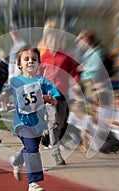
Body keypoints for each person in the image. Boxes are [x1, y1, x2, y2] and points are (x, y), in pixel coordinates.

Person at [0, 45, 60, 191]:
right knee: (33, 149)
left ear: (39, 63)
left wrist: (51, 100)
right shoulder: (15, 81)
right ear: (19, 64)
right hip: (21, 122)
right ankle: (33, 183)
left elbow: (55, 98)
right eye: (26, 59)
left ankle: (16, 161)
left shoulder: (43, 81)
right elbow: (4, 94)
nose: (30, 61)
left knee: (30, 147)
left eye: (34, 59)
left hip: (38, 123)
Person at [37, 23, 80, 165]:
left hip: (64, 94)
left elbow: (75, 71)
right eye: (51, 39)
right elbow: (37, 73)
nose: (53, 42)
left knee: (61, 123)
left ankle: (46, 135)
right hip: (49, 95)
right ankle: (56, 153)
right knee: (53, 122)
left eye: (56, 39)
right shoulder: (44, 57)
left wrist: (76, 83)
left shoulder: (66, 56)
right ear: (48, 41)